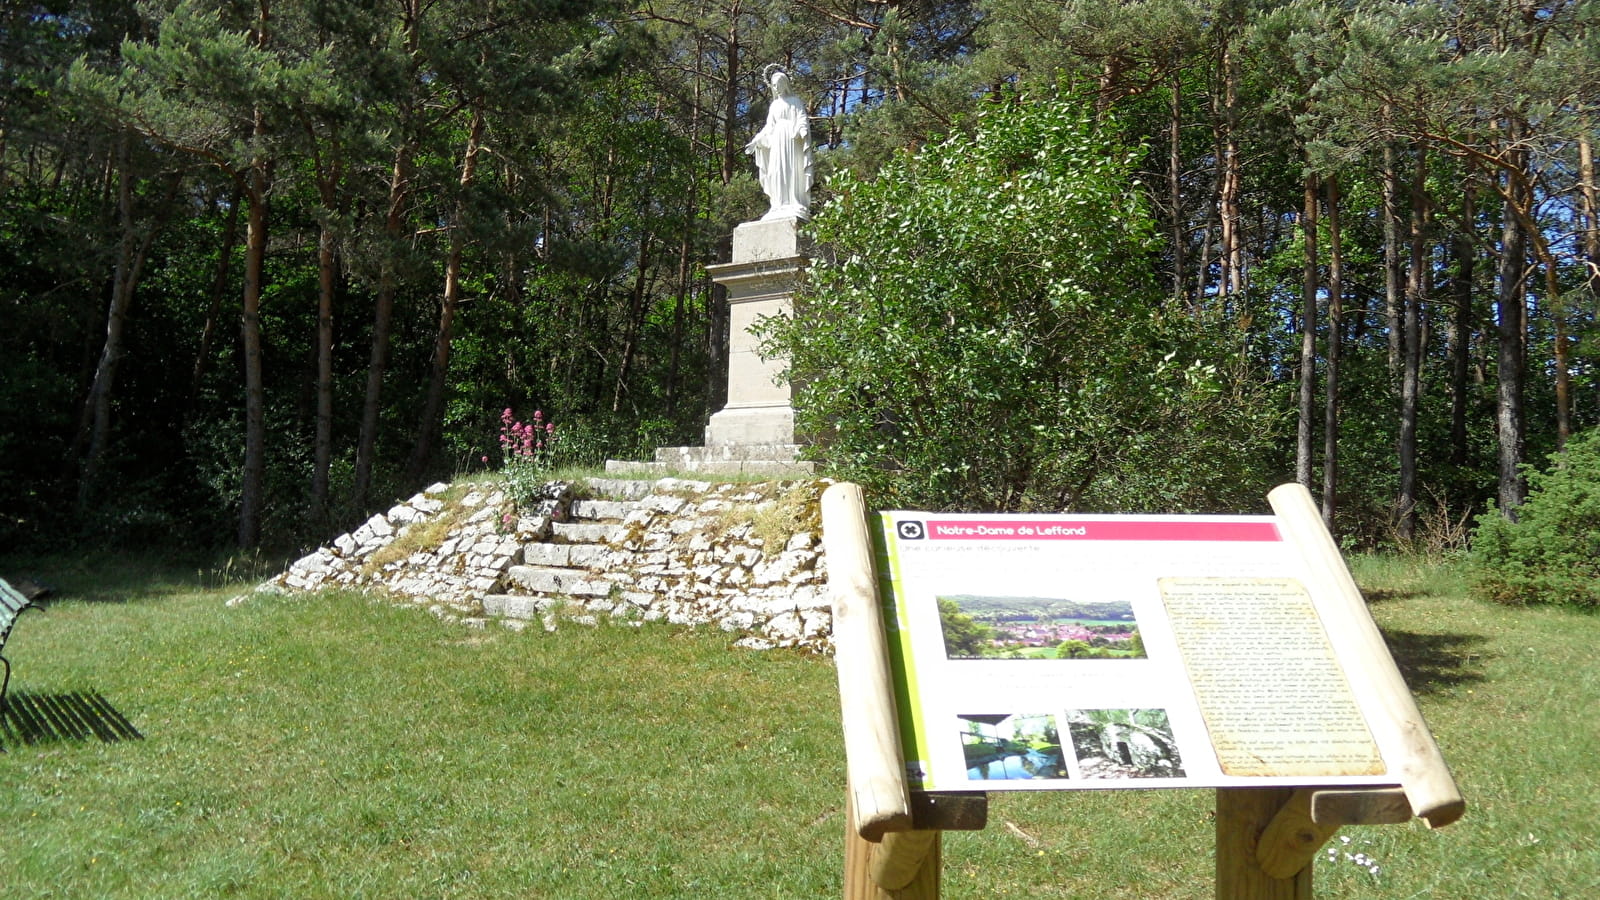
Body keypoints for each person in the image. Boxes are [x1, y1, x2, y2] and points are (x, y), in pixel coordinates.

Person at [745, 66, 813, 220]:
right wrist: (756, 141)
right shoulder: (774, 105)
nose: (776, 88)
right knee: (777, 171)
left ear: (785, 84)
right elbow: (769, 127)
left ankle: (793, 202)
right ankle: (779, 204)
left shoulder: (795, 101)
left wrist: (802, 130)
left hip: (792, 140)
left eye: (778, 85)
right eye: (774, 86)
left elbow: (802, 118)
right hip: (777, 141)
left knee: (792, 171)